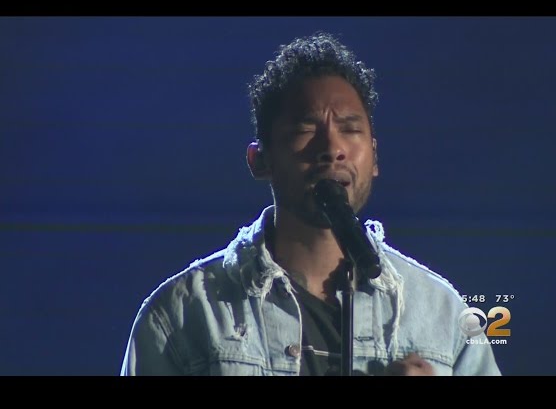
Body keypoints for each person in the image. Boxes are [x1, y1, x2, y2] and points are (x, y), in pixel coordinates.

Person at [120, 32, 501, 376]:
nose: (332, 148)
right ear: (260, 160)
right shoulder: (184, 314)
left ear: (374, 156)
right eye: (305, 129)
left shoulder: (442, 312)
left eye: (350, 129)